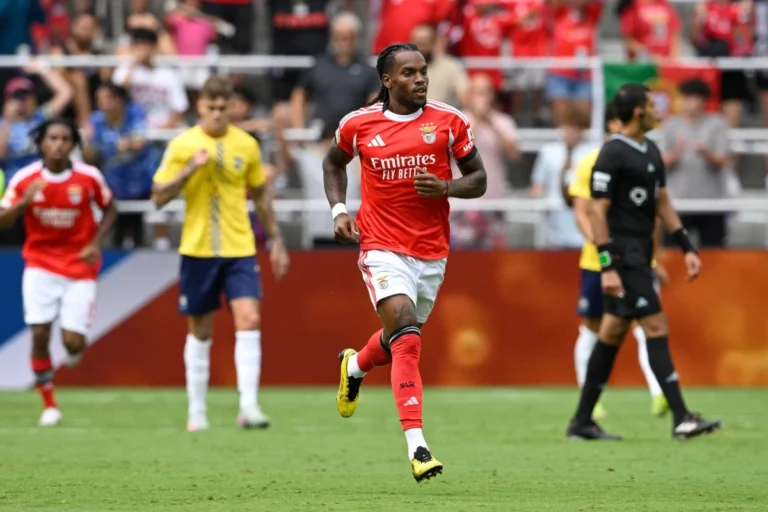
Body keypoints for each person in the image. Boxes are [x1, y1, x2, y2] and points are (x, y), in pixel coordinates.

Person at [324, 43, 487, 481]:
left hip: (432, 251)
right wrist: (339, 211)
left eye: (423, 71)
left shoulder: (448, 120)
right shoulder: (358, 124)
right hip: (380, 245)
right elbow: (333, 163)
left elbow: (479, 180)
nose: (420, 79)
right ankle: (418, 447)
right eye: (409, 73)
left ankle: (354, 365)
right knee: (409, 336)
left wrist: (447, 189)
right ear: (387, 80)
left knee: (400, 334)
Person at [566, 83, 721, 441]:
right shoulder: (612, 153)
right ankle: (682, 416)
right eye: (652, 105)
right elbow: (597, 212)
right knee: (655, 325)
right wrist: (607, 266)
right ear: (637, 112)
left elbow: (662, 202)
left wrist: (686, 246)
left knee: (612, 334)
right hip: (622, 258)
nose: (658, 110)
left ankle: (581, 421)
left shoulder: (650, 150)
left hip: (640, 255)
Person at [151, 76, 290, 432]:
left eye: (222, 107)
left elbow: (260, 196)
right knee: (201, 329)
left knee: (250, 319)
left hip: (240, 247)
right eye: (210, 107)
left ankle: (249, 406)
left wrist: (276, 240)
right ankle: (197, 411)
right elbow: (158, 196)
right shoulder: (183, 145)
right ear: (200, 107)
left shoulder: (246, 145)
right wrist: (188, 169)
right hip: (197, 249)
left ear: (231, 107)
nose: (216, 113)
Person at [0, 117, 117, 426]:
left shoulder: (89, 177)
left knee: (72, 343)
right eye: (52, 138)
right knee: (39, 333)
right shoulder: (24, 180)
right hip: (39, 264)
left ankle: (74, 348)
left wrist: (95, 243)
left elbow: (111, 208)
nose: (59, 144)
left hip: (79, 265)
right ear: (41, 143)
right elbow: (3, 221)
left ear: (72, 145)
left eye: (65, 139)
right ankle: (49, 404)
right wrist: (24, 202)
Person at [568, 100, 669, 421]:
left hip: (637, 260)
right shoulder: (589, 163)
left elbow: (651, 216)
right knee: (594, 329)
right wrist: (603, 249)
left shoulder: (644, 158)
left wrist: (655, 258)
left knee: (646, 325)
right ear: (612, 125)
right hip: (599, 263)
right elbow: (583, 212)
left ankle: (660, 393)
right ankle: (590, 400)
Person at [660, 79, 730, 248]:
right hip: (678, 203)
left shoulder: (717, 124)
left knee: (715, 254)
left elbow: (722, 161)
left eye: (693, 97)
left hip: (710, 203)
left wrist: (705, 152)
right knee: (673, 253)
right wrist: (676, 152)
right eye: (685, 97)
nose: (688, 102)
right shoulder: (671, 125)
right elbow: (661, 162)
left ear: (703, 100)